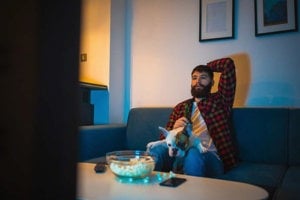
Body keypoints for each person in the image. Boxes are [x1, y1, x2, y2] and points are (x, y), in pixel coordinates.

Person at [148, 57, 238, 178]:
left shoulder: (220, 101)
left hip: (209, 157)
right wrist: (173, 129)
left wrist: (206, 67)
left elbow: (228, 65)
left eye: (203, 77)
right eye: (194, 78)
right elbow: (165, 140)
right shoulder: (181, 107)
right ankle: (150, 190)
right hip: (179, 155)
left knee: (193, 152)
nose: (197, 81)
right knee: (155, 151)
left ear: (212, 83)